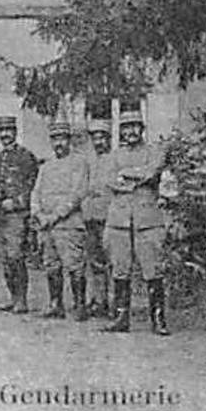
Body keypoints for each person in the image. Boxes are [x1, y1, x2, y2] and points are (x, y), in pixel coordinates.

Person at [102, 108, 171, 335]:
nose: (131, 131)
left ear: (142, 129)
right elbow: (110, 181)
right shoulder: (113, 156)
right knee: (120, 270)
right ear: (121, 132)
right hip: (120, 220)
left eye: (135, 127)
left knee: (153, 270)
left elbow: (152, 172)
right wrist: (136, 177)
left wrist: (127, 174)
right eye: (126, 128)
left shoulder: (155, 151)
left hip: (147, 220)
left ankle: (158, 319)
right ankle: (121, 318)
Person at [31, 121, 90, 320]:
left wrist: (54, 216)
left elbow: (77, 194)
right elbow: (36, 192)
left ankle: (80, 305)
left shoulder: (79, 163)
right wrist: (38, 213)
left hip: (68, 225)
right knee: (51, 265)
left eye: (62, 139)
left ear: (69, 140)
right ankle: (56, 304)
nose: (59, 143)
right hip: (47, 226)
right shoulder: (46, 166)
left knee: (74, 265)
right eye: (55, 139)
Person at [0, 114, 39, 313]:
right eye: (2, 131)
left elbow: (32, 185)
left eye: (9, 131)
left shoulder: (25, 156)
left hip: (17, 215)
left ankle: (22, 300)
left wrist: (18, 203)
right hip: (0, 215)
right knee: (5, 258)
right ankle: (12, 297)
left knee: (16, 257)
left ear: (15, 132)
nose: (5, 135)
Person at [81, 118, 115, 318]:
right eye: (95, 138)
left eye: (102, 137)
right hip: (90, 217)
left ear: (109, 139)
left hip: (110, 216)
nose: (99, 142)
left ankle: (113, 303)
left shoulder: (115, 159)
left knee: (112, 262)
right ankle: (98, 300)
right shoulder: (89, 162)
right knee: (94, 262)